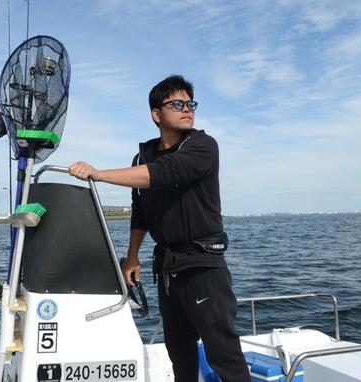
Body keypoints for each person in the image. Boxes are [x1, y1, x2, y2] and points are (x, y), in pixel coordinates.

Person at [68, 75, 249, 381]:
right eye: (177, 103)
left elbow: (165, 173)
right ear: (156, 114)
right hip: (167, 267)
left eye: (190, 103)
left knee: (223, 353)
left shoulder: (203, 147)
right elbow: (140, 211)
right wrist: (133, 257)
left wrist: (98, 174)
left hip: (203, 266)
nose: (187, 109)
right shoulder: (143, 156)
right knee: (179, 352)